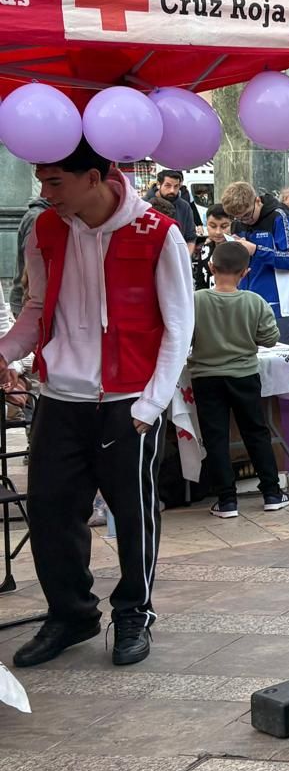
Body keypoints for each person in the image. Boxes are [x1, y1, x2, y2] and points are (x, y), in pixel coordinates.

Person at [2, 140, 193, 668]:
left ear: (93, 176)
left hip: (129, 400)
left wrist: (149, 407)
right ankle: (71, 613)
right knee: (50, 511)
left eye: (54, 182)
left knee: (133, 514)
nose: (44, 194)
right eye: (40, 181)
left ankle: (135, 611)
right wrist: (5, 352)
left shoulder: (158, 232)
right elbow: (37, 310)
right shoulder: (45, 230)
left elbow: (180, 327)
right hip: (60, 396)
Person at [191, 240, 289, 518]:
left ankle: (226, 501)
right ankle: (271, 492)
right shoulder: (254, 302)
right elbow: (270, 339)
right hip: (245, 375)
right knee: (256, 432)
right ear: (245, 272)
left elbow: (184, 336)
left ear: (211, 267)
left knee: (216, 437)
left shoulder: (196, 300)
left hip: (205, 377)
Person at [219, 180, 289, 344]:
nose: (244, 221)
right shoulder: (239, 224)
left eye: (247, 215)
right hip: (244, 302)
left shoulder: (280, 217)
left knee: (276, 361)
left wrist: (256, 250)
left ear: (257, 201)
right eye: (237, 218)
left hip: (277, 305)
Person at [146, 169, 200, 253]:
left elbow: (191, 238)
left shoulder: (184, 206)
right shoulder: (143, 205)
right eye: (168, 185)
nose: (172, 190)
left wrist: (184, 259)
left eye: (176, 186)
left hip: (176, 256)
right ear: (158, 185)